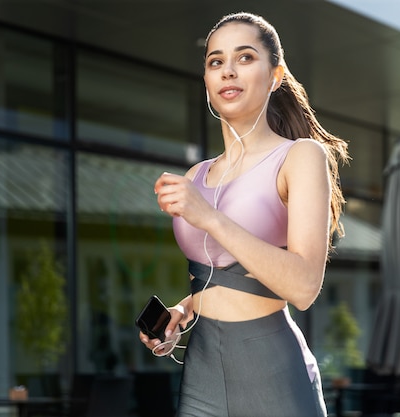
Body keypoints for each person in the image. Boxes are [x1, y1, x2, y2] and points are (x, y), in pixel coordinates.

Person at [139, 11, 349, 417]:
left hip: (272, 372)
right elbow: (220, 275)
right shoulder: (197, 174)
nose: (228, 71)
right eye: (216, 62)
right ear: (206, 81)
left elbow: (305, 288)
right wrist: (182, 312)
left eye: (245, 58)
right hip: (201, 372)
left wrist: (211, 218)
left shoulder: (301, 156)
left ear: (275, 75)